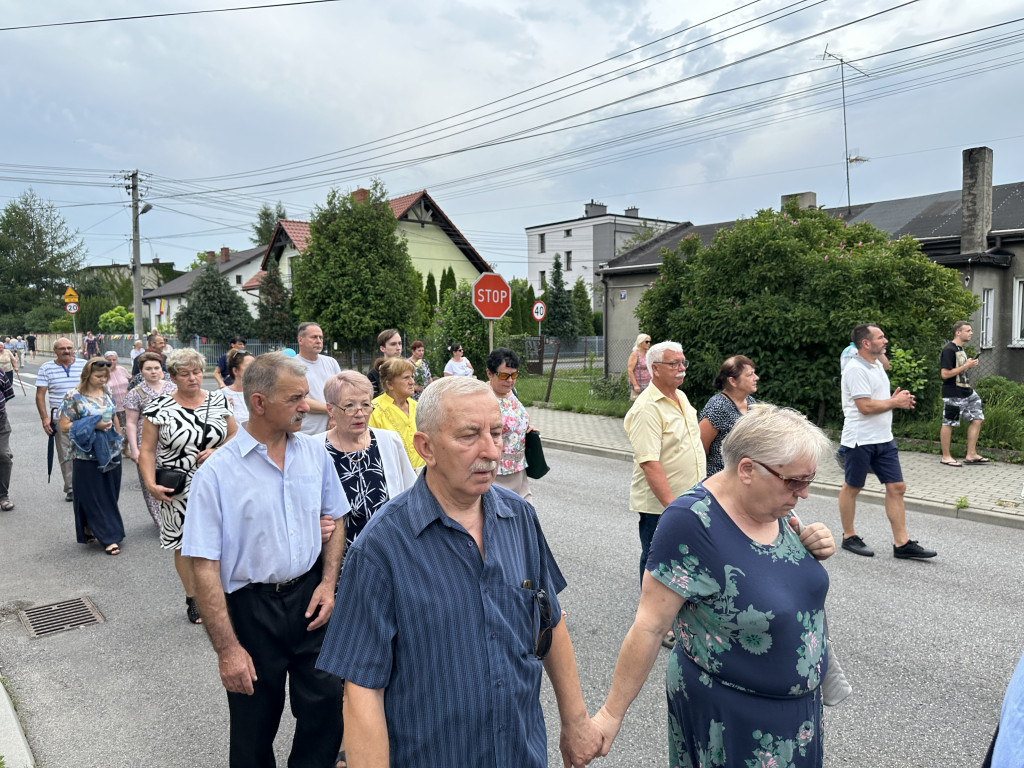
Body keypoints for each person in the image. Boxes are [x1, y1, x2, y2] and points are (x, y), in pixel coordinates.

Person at [316, 376, 603, 768]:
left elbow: (549, 622)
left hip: (521, 754)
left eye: (496, 433)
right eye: (469, 436)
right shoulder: (382, 546)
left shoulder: (519, 517)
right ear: (426, 448)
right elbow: (362, 688)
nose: (490, 451)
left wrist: (576, 723)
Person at [591, 404, 837, 768]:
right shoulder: (691, 523)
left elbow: (770, 575)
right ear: (748, 470)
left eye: (808, 481)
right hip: (732, 716)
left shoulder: (776, 507)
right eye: (795, 481)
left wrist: (813, 546)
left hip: (796, 713)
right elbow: (650, 625)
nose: (803, 493)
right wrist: (610, 716)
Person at [182, 352, 349, 768]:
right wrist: (227, 651)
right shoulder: (217, 475)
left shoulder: (314, 453)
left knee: (326, 709)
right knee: (254, 725)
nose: (306, 407)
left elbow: (338, 517)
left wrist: (328, 584)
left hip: (311, 598)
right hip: (252, 609)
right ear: (259, 403)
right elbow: (203, 566)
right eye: (295, 398)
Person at [139, 348, 237, 624]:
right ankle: (194, 598)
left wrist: (218, 450)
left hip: (218, 483)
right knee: (184, 544)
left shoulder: (219, 400)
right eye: (185, 374)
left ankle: (221, 593)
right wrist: (150, 484)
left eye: (196, 372)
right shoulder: (158, 407)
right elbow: (147, 450)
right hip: (178, 486)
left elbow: (234, 434)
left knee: (223, 540)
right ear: (173, 376)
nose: (193, 378)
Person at [838, 323, 936, 560]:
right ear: (866, 343)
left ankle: (901, 544)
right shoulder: (854, 369)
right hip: (860, 440)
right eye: (880, 338)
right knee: (853, 486)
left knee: (897, 487)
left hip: (884, 439)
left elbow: (876, 399)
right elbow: (865, 406)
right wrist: (894, 403)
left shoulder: (877, 365)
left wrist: (893, 399)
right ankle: (849, 536)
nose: (886, 340)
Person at [623, 341, 705, 588]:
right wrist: (673, 508)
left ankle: (677, 607)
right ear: (655, 369)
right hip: (662, 505)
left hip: (690, 496)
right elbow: (650, 463)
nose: (681, 368)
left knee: (683, 557)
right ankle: (652, 618)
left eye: (683, 362)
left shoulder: (680, 396)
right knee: (657, 559)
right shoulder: (647, 408)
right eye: (674, 363)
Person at [320, 370, 416, 547]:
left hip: (388, 551)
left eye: (365, 404)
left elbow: (411, 493)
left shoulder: (389, 441)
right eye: (349, 405)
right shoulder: (315, 448)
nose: (360, 413)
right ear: (330, 409)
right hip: (340, 557)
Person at [58, 357, 126, 556]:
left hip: (111, 450)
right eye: (98, 376)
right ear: (87, 375)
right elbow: (63, 426)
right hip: (86, 454)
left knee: (111, 494)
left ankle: (89, 527)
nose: (103, 380)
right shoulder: (74, 397)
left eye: (105, 376)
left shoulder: (107, 391)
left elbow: (113, 416)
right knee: (95, 497)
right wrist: (93, 424)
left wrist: (119, 438)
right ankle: (109, 537)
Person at [124, 352, 177, 526]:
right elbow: (131, 423)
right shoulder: (134, 393)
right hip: (146, 441)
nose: (153, 372)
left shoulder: (173, 388)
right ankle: (161, 521)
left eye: (156, 368)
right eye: (148, 369)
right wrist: (134, 448)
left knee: (174, 478)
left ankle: (176, 515)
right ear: (141, 371)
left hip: (172, 440)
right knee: (150, 480)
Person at [36, 338, 86, 501]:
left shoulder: (84, 365)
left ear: (74, 349)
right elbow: (40, 394)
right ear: (55, 351)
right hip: (60, 417)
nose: (66, 351)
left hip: (85, 416)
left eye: (69, 348)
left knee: (88, 450)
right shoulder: (46, 368)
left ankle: (89, 484)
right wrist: (45, 418)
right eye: (62, 348)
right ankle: (71, 487)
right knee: (66, 453)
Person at [486, 346, 535, 503]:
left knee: (527, 517)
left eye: (514, 375)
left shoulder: (513, 393)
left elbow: (515, 420)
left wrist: (526, 429)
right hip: (495, 474)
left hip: (519, 471)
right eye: (504, 375)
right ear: (489, 373)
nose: (510, 380)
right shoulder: (483, 397)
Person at [699, 355, 758, 477]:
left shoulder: (751, 402)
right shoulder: (718, 406)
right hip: (720, 481)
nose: (756, 378)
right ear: (733, 381)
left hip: (744, 479)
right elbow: (699, 448)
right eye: (750, 375)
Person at [939, 321, 988, 466]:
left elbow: (959, 370)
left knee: (978, 418)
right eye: (968, 330)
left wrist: (968, 364)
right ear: (958, 332)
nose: (971, 333)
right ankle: (946, 456)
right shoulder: (949, 350)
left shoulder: (959, 348)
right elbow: (945, 374)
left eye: (971, 330)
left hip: (967, 391)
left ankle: (971, 454)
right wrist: (966, 366)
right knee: (949, 422)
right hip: (953, 392)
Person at [368, 357, 425, 470]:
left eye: (412, 377)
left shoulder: (418, 406)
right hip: (394, 473)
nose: (412, 382)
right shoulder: (373, 409)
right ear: (389, 384)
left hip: (423, 473)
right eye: (406, 378)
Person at [294, 322, 341, 435]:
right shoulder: (292, 366)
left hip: (333, 432)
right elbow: (299, 400)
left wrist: (335, 416)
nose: (319, 341)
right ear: (300, 340)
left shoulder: (331, 362)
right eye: (314, 337)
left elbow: (341, 393)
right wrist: (332, 410)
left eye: (321, 337)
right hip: (307, 432)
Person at [219, 350, 253, 426]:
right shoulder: (221, 396)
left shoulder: (262, 394)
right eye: (249, 367)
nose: (254, 370)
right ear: (235, 371)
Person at [367, 328, 403, 397]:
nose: (398, 348)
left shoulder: (407, 369)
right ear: (382, 348)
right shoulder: (374, 374)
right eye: (393, 344)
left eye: (400, 343)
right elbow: (373, 402)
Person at [104, 350, 131, 430]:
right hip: (114, 409)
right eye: (109, 360)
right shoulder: (103, 373)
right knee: (118, 432)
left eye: (114, 360)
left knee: (129, 431)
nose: (112, 362)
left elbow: (130, 382)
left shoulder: (122, 369)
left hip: (128, 406)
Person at [0, 364, 14, 511]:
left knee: (3, 456)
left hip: (0, 422)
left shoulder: (0, 373)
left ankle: (3, 496)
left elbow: (7, 394)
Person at [627, 333, 652, 401]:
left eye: (649, 342)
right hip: (639, 384)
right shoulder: (635, 354)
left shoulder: (648, 354)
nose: (648, 343)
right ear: (640, 343)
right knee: (638, 405)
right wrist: (635, 385)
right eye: (646, 342)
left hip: (649, 383)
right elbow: (630, 370)